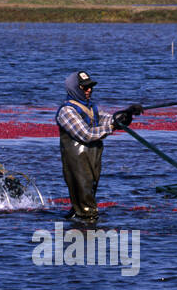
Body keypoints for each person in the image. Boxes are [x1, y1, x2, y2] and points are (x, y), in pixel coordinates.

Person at [56, 70, 140, 222]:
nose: (89, 90)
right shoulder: (66, 111)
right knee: (84, 193)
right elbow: (86, 135)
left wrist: (126, 114)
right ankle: (88, 225)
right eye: (84, 87)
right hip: (77, 158)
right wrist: (113, 127)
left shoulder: (91, 107)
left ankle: (77, 218)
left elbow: (108, 120)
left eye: (90, 86)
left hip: (93, 156)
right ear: (74, 88)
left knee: (88, 191)